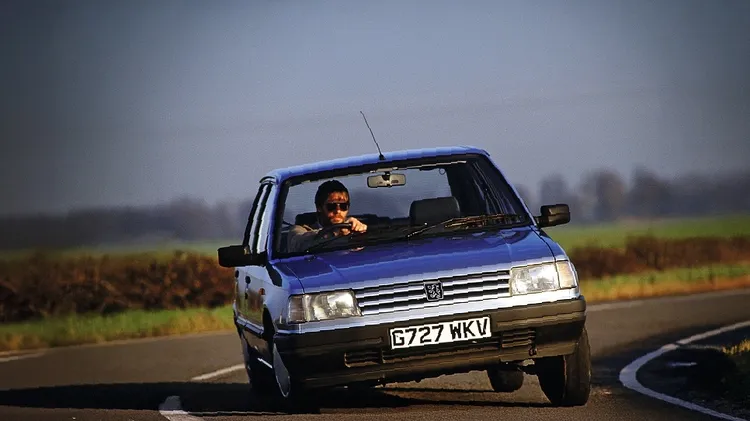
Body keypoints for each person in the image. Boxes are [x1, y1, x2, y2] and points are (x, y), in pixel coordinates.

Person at [287, 180, 367, 253]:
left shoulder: (355, 226)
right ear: (319, 207)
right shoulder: (300, 229)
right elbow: (298, 244)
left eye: (343, 206)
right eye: (331, 206)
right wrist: (334, 233)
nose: (338, 211)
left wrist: (360, 233)